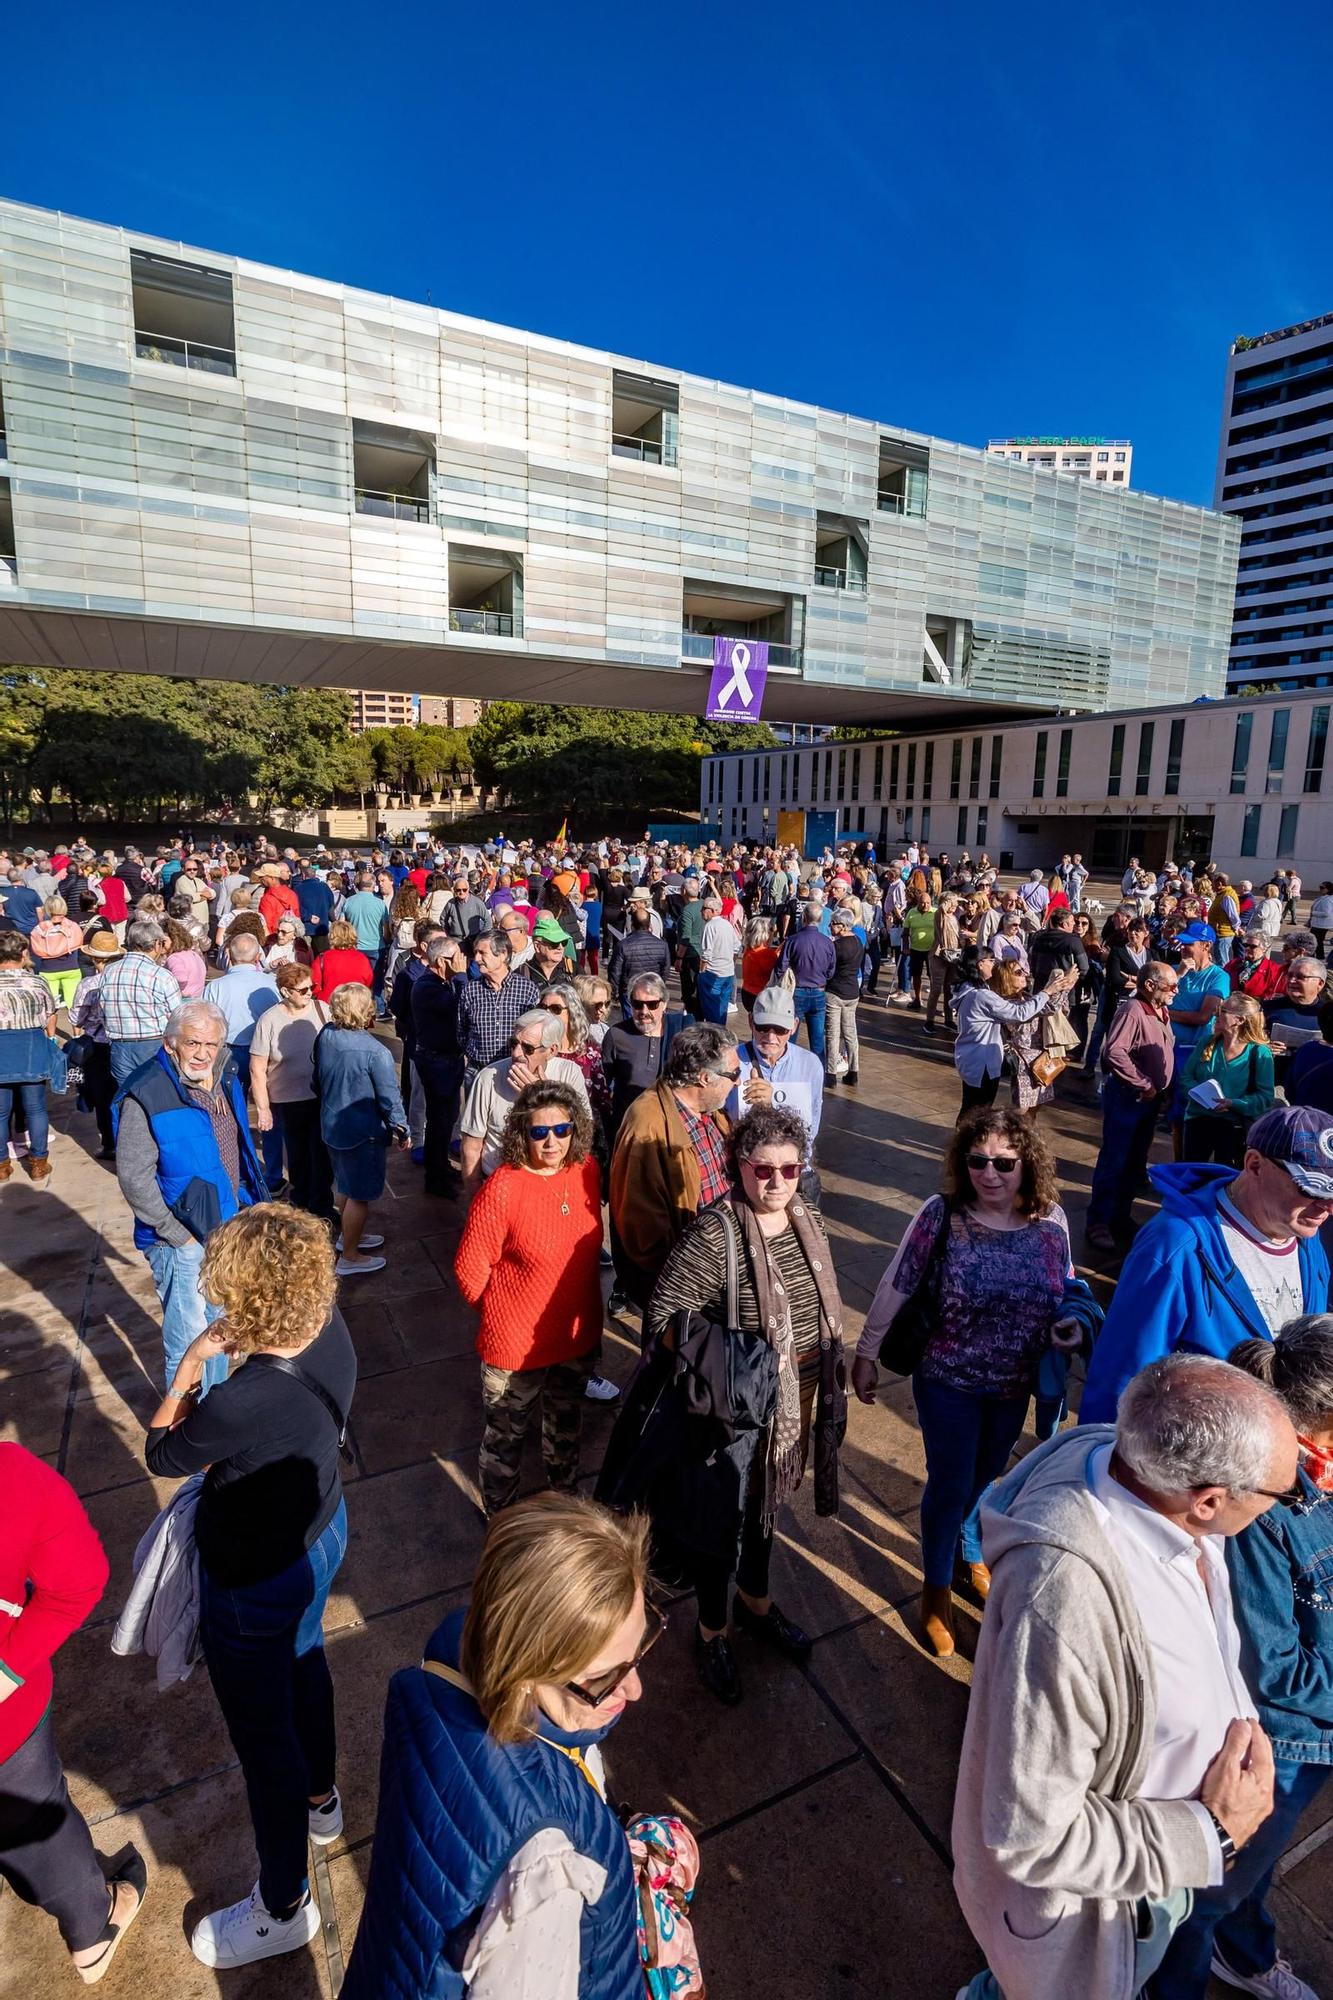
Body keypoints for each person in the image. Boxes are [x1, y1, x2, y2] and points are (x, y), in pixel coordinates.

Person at [952, 1355, 1296, 2000]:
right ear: (1209, 1501)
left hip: (1150, 1874)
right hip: (1101, 1907)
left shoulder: (1128, 1461)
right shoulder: (1064, 1606)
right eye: (1284, 1493)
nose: (1292, 1501)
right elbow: (1030, 1835)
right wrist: (1210, 1831)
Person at [340, 1493, 657, 2000]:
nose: (636, 1689)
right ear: (525, 1671)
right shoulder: (547, 1873)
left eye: (640, 1649)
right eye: (605, 1677)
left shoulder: (449, 1662)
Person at [144, 1207, 354, 1970]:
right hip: (323, 1532)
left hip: (254, 1579)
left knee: (263, 1742)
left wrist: (189, 1367)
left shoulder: (241, 1400)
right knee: (306, 1663)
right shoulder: (330, 1325)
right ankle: (323, 1801)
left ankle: (282, 1904)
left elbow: (163, 1452)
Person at [611, 1104, 847, 1707]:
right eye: (762, 1170)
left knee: (764, 1511)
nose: (776, 1183)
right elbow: (662, 1319)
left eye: (790, 1170)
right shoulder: (715, 1234)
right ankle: (713, 1630)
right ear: (737, 1165)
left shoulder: (808, 1219)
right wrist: (733, 1359)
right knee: (720, 1524)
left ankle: (757, 1603)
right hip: (728, 1412)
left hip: (793, 1402)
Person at [1142, 1322, 1333, 1998]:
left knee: (1255, 1868)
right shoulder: (1267, 1510)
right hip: (1282, 1744)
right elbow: (1272, 1667)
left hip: (1315, 1740)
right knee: (1207, 1897)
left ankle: (1244, 1952)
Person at [853, 1107, 1079, 1658]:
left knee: (986, 1480)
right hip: (948, 1379)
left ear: (1028, 1163)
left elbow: (1067, 1287)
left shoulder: (1051, 1220)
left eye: (1004, 1161)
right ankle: (934, 1594)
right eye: (978, 1160)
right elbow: (898, 1280)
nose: (990, 1173)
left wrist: (1071, 1324)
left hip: (1012, 1383)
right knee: (951, 1484)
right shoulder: (943, 1214)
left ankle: (969, 1553)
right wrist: (866, 1351)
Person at [1081, 1105, 1333, 1423]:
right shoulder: (1173, 1247)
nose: (1328, 1209)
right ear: (1254, 1164)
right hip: (1194, 1456)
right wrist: (1102, 1459)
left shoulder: (1305, 1236)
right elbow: (1121, 1380)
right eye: (1311, 1189)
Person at [0, 1443, 146, 1981]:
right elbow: (77, 1582)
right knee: (38, 1822)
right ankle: (93, 1933)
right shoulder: (11, 1476)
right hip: (5, 1731)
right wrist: (7, 1671)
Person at [455, 1082, 606, 1515]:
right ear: (522, 1134)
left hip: (573, 1338)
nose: (553, 1141)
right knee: (506, 1438)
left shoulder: (587, 1170)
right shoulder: (504, 1187)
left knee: (566, 1424)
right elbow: (469, 1270)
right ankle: (500, 1517)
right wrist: (503, 1314)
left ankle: (565, 1501)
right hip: (515, 1348)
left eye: (562, 1129)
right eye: (540, 1133)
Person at [114, 999, 268, 1394]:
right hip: (180, 1239)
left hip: (224, 1225)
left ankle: (211, 1417)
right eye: (192, 1044)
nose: (202, 1054)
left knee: (219, 1328)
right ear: (170, 1044)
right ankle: (184, 1437)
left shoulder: (225, 1074)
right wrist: (175, 1234)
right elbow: (134, 1178)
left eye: (211, 1045)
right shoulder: (146, 1093)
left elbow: (236, 1144)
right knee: (187, 1345)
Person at [609, 1023, 738, 1310]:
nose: (738, 1082)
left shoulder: (709, 1111)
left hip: (718, 1265)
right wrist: (690, 1276)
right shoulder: (647, 1125)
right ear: (705, 1078)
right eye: (733, 1075)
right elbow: (643, 1233)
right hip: (685, 1284)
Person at [313, 981, 409, 1276]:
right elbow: (389, 1096)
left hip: (332, 1123)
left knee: (343, 1183)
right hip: (362, 1131)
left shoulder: (326, 1035)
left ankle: (348, 1237)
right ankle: (350, 1256)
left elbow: (315, 1076)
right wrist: (401, 1126)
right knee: (360, 1195)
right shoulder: (375, 1052)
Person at [1085, 961, 1179, 1253]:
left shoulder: (1160, 1009)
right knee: (1115, 1159)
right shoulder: (1132, 1011)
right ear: (1149, 985)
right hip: (1129, 1098)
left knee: (1135, 1161)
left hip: (1149, 1102)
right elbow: (1114, 1051)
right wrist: (1144, 1083)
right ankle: (1098, 1221)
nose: (1176, 991)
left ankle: (1120, 1215)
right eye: (1171, 986)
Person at [459, 1011, 591, 1198]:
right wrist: (475, 1200)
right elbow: (471, 1147)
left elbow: (582, 1135)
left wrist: (535, 1096)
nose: (516, 1053)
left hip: (553, 1187)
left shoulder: (569, 1074)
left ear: (551, 1051)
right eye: (513, 1044)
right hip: (500, 1188)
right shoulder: (488, 1078)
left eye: (528, 1048)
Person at [248, 959, 334, 1220]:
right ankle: (303, 1203)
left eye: (311, 988)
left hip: (320, 1095)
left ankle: (321, 1206)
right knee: (297, 1154)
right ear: (285, 992)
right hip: (288, 1100)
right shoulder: (269, 1020)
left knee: (322, 1155)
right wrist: (263, 1109)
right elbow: (257, 1068)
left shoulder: (322, 1010)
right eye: (303, 990)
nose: (309, 994)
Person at [951, 947, 1071, 1117]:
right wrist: (1047, 991)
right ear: (979, 965)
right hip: (982, 1061)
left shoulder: (970, 989)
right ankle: (968, 1141)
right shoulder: (981, 995)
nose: (994, 964)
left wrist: (1060, 988)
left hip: (974, 1057)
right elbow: (1019, 1014)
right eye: (991, 960)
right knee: (978, 1110)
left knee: (973, 1107)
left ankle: (966, 1139)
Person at [1180, 992, 1276, 1168]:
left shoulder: (1259, 1053)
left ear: (1239, 1020)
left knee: (1227, 1182)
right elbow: (1186, 1077)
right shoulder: (1207, 1042)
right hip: (1197, 1121)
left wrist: (1233, 1103)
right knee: (1191, 1176)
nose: (1217, 1012)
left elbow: (1265, 1097)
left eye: (1223, 1010)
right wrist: (1200, 1096)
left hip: (1233, 1128)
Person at [727, 973, 825, 1144]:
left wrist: (771, 1107)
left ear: (794, 1027)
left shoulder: (810, 1065)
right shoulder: (729, 1061)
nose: (771, 1038)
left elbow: (810, 1130)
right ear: (751, 1021)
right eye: (763, 1027)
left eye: (780, 1030)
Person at [0, 933, 60, 1188]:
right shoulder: (37, 983)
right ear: (23, 954)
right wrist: (51, 1039)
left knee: (1, 1112)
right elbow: (51, 1015)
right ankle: (38, 1161)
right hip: (31, 1046)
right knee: (36, 1108)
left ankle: (2, 1164)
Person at [99, 918, 182, 1086]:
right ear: (157, 944)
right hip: (153, 1046)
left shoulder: (109, 972)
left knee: (127, 1099)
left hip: (120, 1047)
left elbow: (102, 1012)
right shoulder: (162, 976)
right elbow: (177, 1018)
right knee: (158, 1098)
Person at [457, 929, 544, 1076]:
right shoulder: (470, 990)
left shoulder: (527, 989)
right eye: (475, 952)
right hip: (477, 1071)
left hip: (514, 1070)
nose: (476, 958)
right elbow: (461, 1030)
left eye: (482, 953)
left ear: (503, 954)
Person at [778, 901, 837, 1061]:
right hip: (818, 991)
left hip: (797, 991)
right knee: (817, 1041)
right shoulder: (828, 943)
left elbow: (780, 968)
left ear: (803, 917)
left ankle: (788, 1072)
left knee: (790, 1037)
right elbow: (831, 971)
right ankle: (821, 1078)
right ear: (820, 920)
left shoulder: (792, 940)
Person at [607, 895, 671, 1013]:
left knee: (632, 1024)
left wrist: (613, 992)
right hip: (652, 988)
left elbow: (615, 971)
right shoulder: (662, 945)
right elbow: (666, 970)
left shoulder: (623, 945)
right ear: (649, 925)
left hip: (630, 991)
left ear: (632, 924)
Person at [823, 905, 864, 1085]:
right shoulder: (858, 942)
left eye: (833, 924)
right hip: (852, 991)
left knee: (832, 1034)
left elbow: (828, 969)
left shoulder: (835, 946)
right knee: (850, 1032)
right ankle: (853, 1071)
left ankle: (831, 1073)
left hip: (835, 991)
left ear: (842, 926)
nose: (830, 927)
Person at [27, 895, 85, 1008]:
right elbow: (78, 943)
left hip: (48, 969)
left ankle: (51, 1026)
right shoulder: (72, 926)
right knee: (74, 1006)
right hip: (71, 967)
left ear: (47, 909)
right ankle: (76, 1025)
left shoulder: (38, 930)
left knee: (50, 1006)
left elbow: (36, 951)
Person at [310, 918, 373, 1001]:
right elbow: (368, 982)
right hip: (355, 1002)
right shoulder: (362, 958)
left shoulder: (322, 958)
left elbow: (314, 984)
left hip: (329, 1003)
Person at [1309, 882, 1333, 960]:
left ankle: (1316, 956)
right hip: (1319, 923)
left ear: (1328, 889)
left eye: (1322, 888)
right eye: (1320, 887)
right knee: (1317, 941)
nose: (1320, 889)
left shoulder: (1328, 900)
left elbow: (1326, 913)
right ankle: (1318, 956)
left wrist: (1314, 913)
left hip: (1321, 924)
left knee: (1315, 940)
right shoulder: (1324, 898)